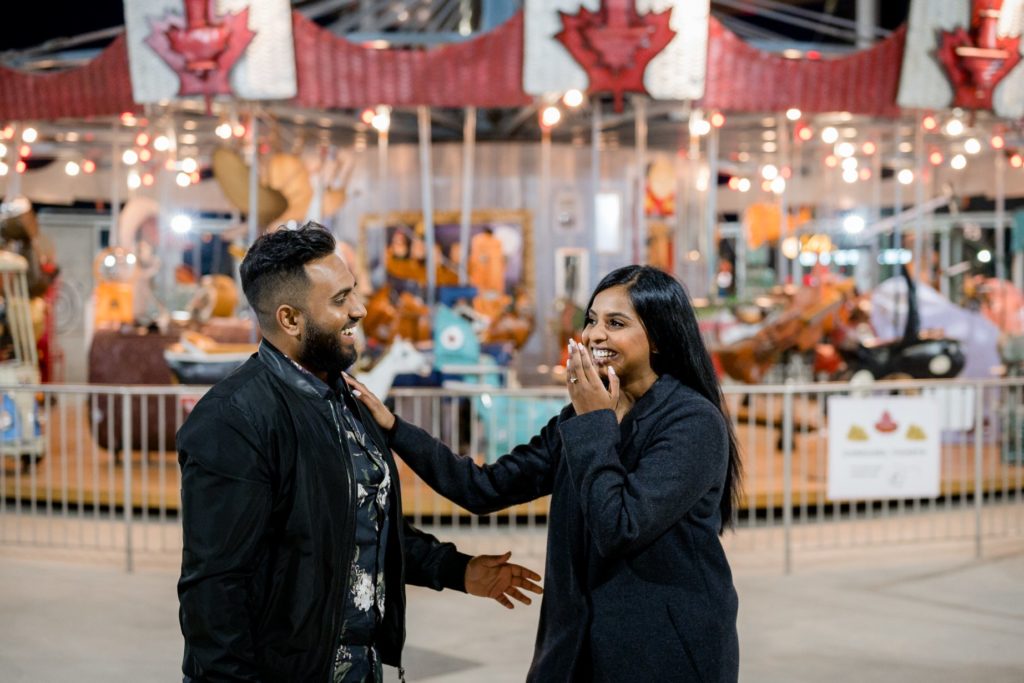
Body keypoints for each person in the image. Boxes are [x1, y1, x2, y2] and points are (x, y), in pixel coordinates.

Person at [177, 223, 542, 682]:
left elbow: (361, 523)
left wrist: (457, 570)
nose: (360, 309)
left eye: (352, 292)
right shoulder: (234, 419)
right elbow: (215, 589)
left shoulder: (347, 398)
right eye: (339, 300)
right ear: (290, 319)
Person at [347, 264, 743, 682]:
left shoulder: (692, 422)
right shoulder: (580, 417)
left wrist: (594, 422)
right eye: (591, 320)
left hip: (664, 654)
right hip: (573, 649)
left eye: (616, 323)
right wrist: (395, 429)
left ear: (659, 338)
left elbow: (620, 527)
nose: (594, 334)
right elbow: (482, 489)